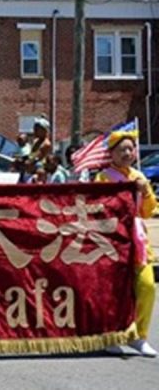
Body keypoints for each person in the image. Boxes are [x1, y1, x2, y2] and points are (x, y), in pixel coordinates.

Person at [95, 131, 157, 357]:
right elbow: (99, 208)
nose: (128, 153)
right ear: (111, 153)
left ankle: (139, 336)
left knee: (147, 285)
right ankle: (110, 334)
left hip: (137, 239)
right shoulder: (103, 178)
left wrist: (146, 191)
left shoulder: (139, 176)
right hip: (113, 239)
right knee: (113, 290)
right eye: (122, 149)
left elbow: (148, 211)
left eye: (131, 149)